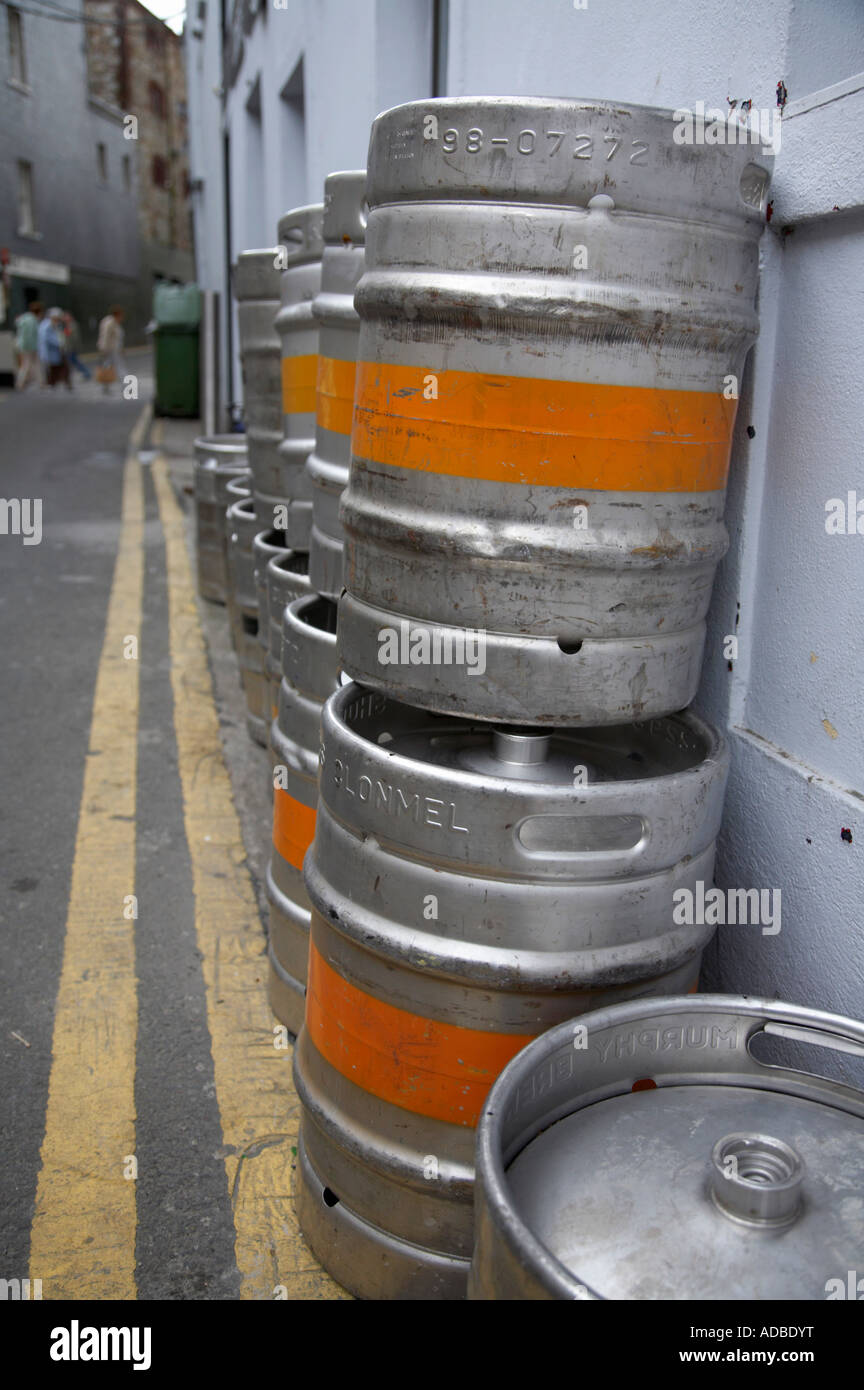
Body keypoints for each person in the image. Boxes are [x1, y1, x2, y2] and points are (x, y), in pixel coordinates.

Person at [15, 301, 44, 390]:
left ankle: (39, 382)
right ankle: (22, 383)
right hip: (29, 346)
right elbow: (30, 335)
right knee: (30, 364)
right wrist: (33, 347)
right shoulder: (33, 321)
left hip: (22, 345)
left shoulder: (24, 317)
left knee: (28, 364)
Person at [97, 305, 125, 394]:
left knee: (108, 367)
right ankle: (125, 385)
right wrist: (104, 349)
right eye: (121, 315)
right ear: (117, 315)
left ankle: (106, 386)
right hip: (110, 350)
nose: (122, 318)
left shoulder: (114, 323)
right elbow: (105, 337)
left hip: (113, 349)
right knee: (118, 367)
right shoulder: (110, 323)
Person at [37, 307, 68, 388]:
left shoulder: (47, 324)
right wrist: (59, 343)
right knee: (53, 368)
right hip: (50, 351)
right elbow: (48, 338)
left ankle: (55, 382)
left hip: (52, 351)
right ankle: (52, 383)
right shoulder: (48, 325)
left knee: (55, 368)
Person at [62, 312, 91, 387]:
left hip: (71, 348)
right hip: (69, 347)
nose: (65, 318)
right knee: (74, 362)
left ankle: (86, 373)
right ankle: (86, 373)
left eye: (66, 317)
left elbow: (72, 336)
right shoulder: (68, 325)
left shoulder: (72, 325)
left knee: (73, 362)